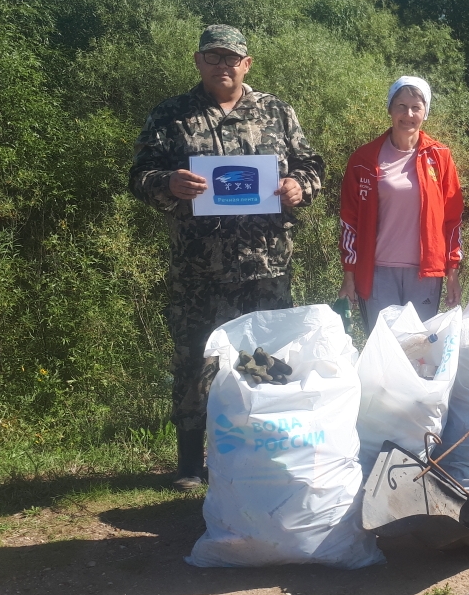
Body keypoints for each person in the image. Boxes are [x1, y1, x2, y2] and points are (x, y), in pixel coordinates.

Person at [130, 25, 324, 490]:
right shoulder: (172, 114)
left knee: (264, 360)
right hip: (197, 267)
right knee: (194, 360)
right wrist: (166, 184)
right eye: (213, 57)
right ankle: (190, 467)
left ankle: (263, 456)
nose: (223, 66)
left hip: (266, 265)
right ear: (198, 61)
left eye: (231, 58)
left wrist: (301, 187)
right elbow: (138, 175)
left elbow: (312, 166)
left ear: (247, 64)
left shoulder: (277, 111)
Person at [339, 76, 463, 333]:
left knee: (417, 350)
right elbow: (349, 222)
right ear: (390, 109)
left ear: (425, 112)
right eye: (401, 106)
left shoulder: (440, 157)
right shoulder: (363, 159)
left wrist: (452, 272)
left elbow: (453, 220)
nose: (408, 114)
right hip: (377, 271)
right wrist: (348, 276)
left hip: (425, 274)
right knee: (383, 350)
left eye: (416, 107)